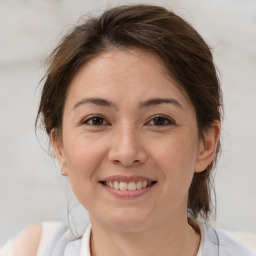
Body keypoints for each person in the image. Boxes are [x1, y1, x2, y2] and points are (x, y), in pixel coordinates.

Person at [1, 4, 255, 256]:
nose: (126, 151)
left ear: (206, 143)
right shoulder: (28, 250)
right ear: (59, 147)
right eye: (96, 120)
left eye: (159, 120)